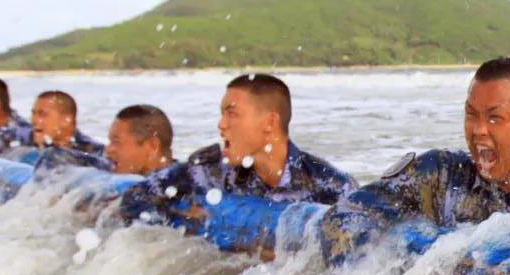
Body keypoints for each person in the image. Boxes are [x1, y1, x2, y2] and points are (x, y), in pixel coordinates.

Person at [320, 57, 510, 275]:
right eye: (471, 115)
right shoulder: (436, 176)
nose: (478, 130)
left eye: (495, 118)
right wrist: (429, 253)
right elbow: (343, 219)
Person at [119, 73, 356, 226]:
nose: (221, 125)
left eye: (231, 113)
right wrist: (185, 219)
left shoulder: (331, 186)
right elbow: (134, 199)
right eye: (222, 114)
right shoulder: (208, 173)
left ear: (269, 123)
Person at [30, 104, 175, 176]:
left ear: (152, 145)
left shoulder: (179, 185)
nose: (108, 149)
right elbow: (54, 157)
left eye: (116, 142)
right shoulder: (110, 172)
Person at [0, 90, 104, 160]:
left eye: (42, 115)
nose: (34, 121)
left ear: (66, 119)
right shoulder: (23, 136)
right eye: (33, 114)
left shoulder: (90, 149)